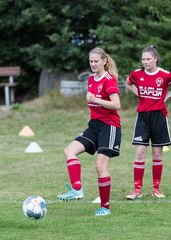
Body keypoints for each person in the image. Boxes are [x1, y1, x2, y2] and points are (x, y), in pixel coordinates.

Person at [57, 47, 121, 216]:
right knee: (69, 151)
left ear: (104, 61)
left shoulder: (109, 80)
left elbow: (116, 105)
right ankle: (77, 189)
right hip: (94, 126)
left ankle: (105, 208)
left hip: (109, 126)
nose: (93, 64)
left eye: (96, 61)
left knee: (100, 166)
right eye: (91, 61)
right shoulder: (91, 79)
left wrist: (96, 99)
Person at [125, 45, 171, 200]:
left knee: (157, 154)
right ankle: (137, 190)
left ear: (155, 59)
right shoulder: (136, 74)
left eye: (148, 59)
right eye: (143, 59)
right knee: (139, 153)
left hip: (159, 117)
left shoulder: (164, 75)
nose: (145, 62)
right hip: (142, 118)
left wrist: (168, 96)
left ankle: (156, 189)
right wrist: (139, 93)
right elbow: (128, 83)